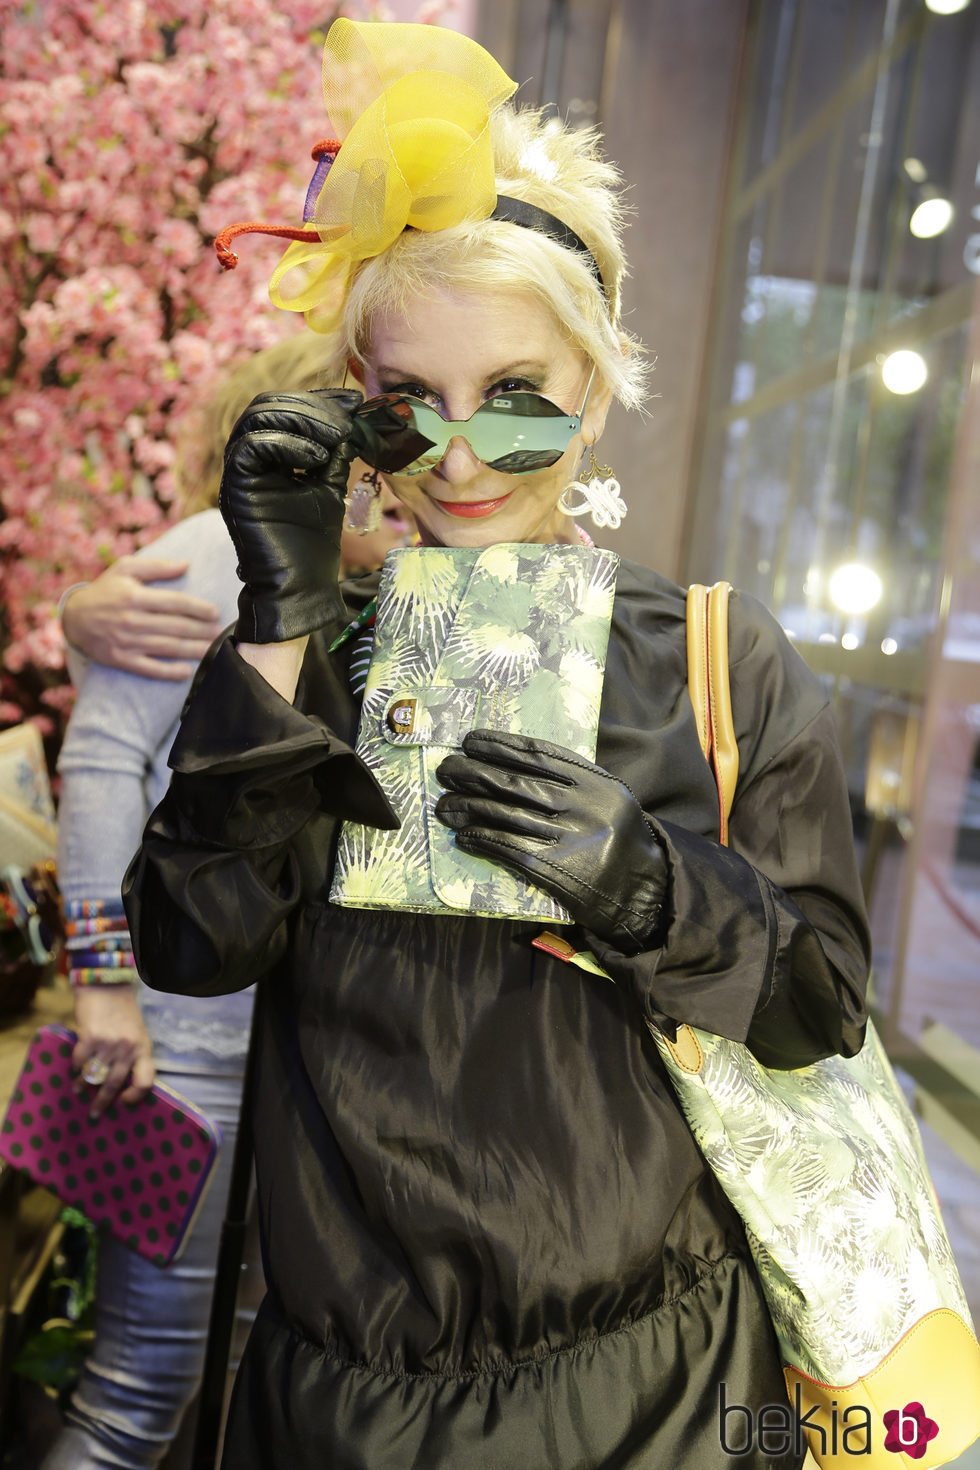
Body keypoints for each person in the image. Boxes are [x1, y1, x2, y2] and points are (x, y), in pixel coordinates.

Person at [122, 19, 871, 1470]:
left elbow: (819, 1005)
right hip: (343, 1404)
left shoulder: (716, 660)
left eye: (518, 405)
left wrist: (656, 890)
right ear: (355, 401)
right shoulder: (313, 659)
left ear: (592, 394)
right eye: (409, 410)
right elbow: (191, 941)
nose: (459, 460)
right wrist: (277, 608)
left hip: (658, 1396)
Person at [43, 332, 412, 1470]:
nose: (399, 479)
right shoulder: (215, 557)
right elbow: (102, 766)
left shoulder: (375, 589)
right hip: (177, 1047)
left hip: (285, 1052)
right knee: (141, 1384)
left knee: (241, 1376)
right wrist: (102, 987)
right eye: (373, 446)